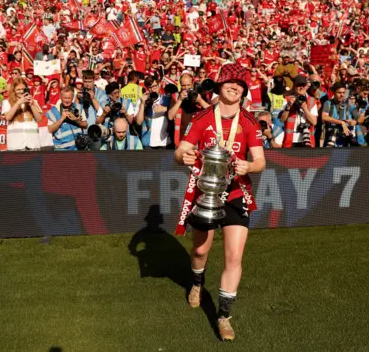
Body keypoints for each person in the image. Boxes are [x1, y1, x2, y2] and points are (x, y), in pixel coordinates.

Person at [174, 63, 266, 342]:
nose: (234, 87)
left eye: (240, 84)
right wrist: (184, 158)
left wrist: (249, 168)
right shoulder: (202, 118)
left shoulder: (249, 122)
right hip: (206, 194)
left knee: (234, 256)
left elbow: (261, 160)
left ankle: (224, 316)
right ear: (219, 86)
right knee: (201, 250)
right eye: (230, 82)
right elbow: (180, 152)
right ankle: (197, 283)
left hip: (236, 195)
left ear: (243, 91)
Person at [1, 78, 43, 151]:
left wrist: (31, 105)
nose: (21, 91)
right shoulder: (7, 102)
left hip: (33, 143)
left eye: (23, 89)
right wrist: (18, 103)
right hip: (16, 144)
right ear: (14, 90)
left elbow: (39, 119)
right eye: (18, 89)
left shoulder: (34, 101)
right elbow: (8, 117)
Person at [279, 75, 318, 148]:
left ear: (306, 86)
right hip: (291, 140)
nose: (301, 87)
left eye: (303, 85)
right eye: (298, 85)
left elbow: (314, 122)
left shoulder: (312, 100)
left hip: (307, 139)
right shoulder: (287, 99)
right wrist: (288, 106)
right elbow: (282, 119)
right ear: (294, 86)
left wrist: (305, 108)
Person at [135, 76, 172, 149]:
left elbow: (175, 113)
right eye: (150, 87)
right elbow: (139, 122)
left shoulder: (166, 99)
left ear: (159, 85)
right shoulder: (142, 100)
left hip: (165, 141)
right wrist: (142, 103)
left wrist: (164, 108)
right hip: (148, 142)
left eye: (154, 86)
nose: (152, 89)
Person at [46, 86, 87, 150]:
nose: (67, 100)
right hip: (61, 149)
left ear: (73, 98)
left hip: (78, 147)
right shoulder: (53, 111)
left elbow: (85, 125)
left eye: (69, 98)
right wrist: (62, 119)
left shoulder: (79, 108)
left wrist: (76, 121)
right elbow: (50, 130)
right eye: (65, 98)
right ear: (60, 97)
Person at [321, 82, 356, 147]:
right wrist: (341, 122)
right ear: (334, 92)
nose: (342, 95)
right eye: (339, 93)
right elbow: (324, 117)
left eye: (343, 92)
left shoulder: (349, 104)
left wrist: (354, 122)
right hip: (330, 140)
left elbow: (359, 119)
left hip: (344, 141)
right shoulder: (328, 103)